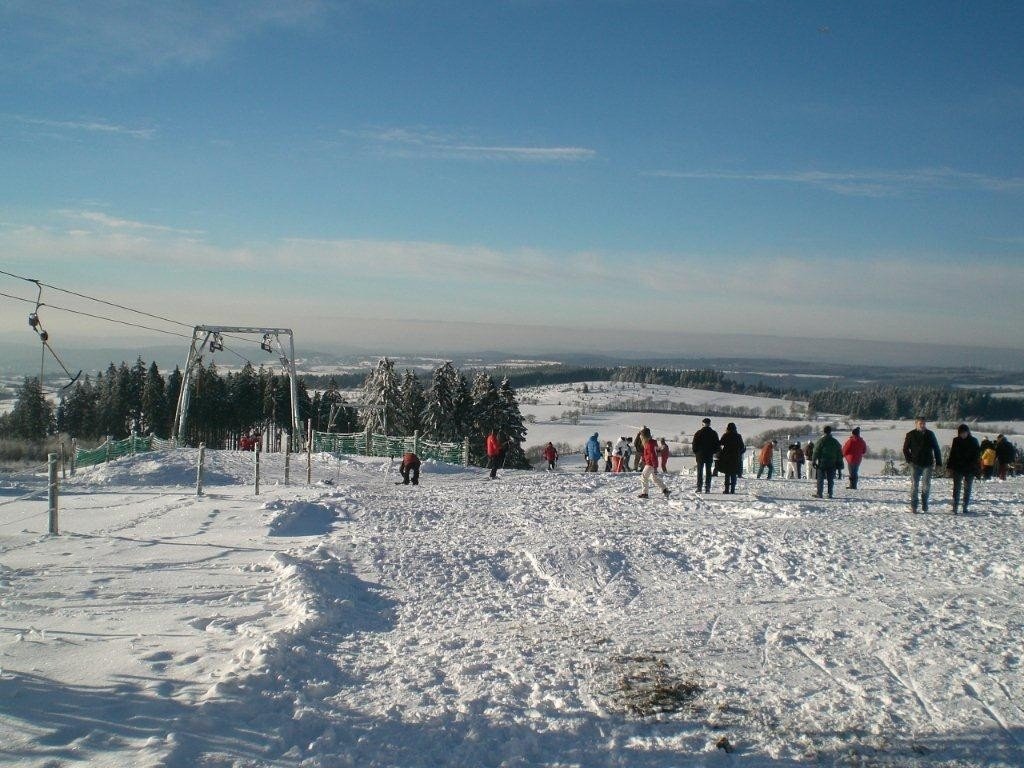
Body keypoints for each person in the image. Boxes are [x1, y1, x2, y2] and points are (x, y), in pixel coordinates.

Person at [902, 417, 942, 513]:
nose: (922, 425)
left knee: (926, 485)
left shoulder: (930, 434)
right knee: (914, 485)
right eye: (920, 423)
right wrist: (909, 460)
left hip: (927, 464)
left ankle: (925, 503)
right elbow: (905, 449)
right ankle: (914, 506)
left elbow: (936, 448)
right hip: (914, 464)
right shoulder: (910, 434)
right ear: (916, 424)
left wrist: (939, 463)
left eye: (924, 423)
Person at [946, 424, 980, 514]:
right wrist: (949, 466)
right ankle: (955, 507)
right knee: (956, 488)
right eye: (961, 433)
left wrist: (975, 468)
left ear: (968, 432)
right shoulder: (956, 440)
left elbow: (977, 456)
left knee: (967, 488)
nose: (963, 434)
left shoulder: (974, 441)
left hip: (970, 468)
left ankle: (965, 506)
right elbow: (952, 454)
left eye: (965, 432)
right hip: (958, 467)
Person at [638, 429, 670, 499]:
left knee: (643, 477)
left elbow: (653, 455)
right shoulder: (649, 443)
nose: (641, 437)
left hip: (650, 464)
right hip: (650, 463)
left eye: (642, 436)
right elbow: (646, 454)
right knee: (654, 478)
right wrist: (643, 460)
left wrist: (655, 466)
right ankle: (665, 490)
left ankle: (645, 493)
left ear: (645, 436)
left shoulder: (650, 444)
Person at [812, 426, 843, 499]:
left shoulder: (821, 440)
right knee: (830, 479)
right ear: (830, 431)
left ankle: (819, 493)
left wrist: (814, 460)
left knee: (820, 478)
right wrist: (839, 463)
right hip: (832, 462)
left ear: (824, 431)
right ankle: (830, 493)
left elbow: (816, 451)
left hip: (822, 462)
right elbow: (839, 453)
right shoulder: (835, 441)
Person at [692, 417, 720, 493]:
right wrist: (713, 451)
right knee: (708, 472)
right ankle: (707, 488)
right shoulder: (714, 433)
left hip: (700, 455)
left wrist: (696, 452)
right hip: (709, 455)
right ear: (709, 424)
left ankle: (699, 487)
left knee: (700, 472)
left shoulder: (698, 433)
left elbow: (694, 445)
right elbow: (717, 445)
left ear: (702, 424)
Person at [718, 422, 745, 494]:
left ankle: (726, 489)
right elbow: (742, 447)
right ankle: (732, 489)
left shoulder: (725, 435)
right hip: (735, 457)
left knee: (727, 474)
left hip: (726, 457)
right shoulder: (738, 436)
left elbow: (720, 443)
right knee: (733, 474)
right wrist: (739, 453)